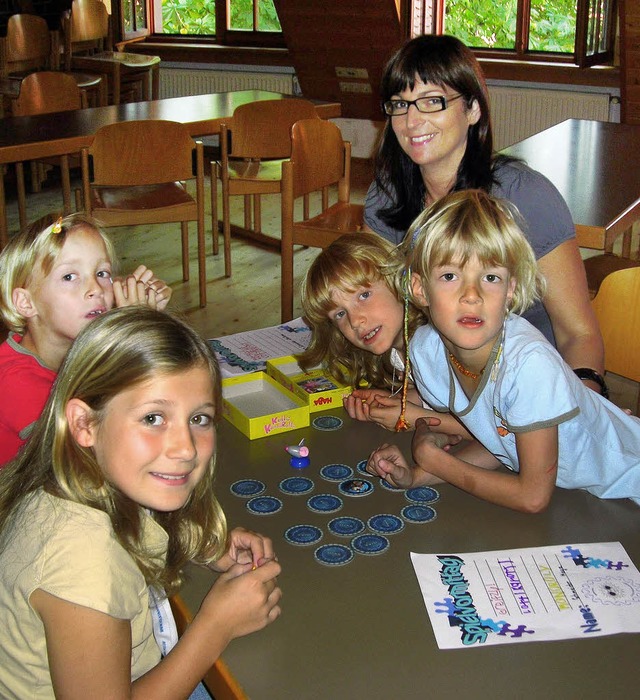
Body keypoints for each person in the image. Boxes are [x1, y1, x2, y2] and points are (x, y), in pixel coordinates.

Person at [0, 306, 282, 698]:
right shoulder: (82, 558)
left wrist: (203, 542)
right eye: (153, 418)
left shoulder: (83, 480)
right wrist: (216, 626)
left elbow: (130, 515)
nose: (185, 448)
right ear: (85, 424)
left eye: (199, 419)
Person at [366, 190, 640, 513]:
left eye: (491, 277)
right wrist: (415, 475)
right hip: (590, 501)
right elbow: (496, 443)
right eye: (450, 276)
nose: (472, 295)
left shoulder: (528, 365)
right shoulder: (426, 353)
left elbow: (533, 497)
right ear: (419, 288)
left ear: (510, 290)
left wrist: (436, 461)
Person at [363, 34, 606, 398]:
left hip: (531, 393)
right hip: (438, 386)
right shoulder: (387, 196)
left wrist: (580, 411)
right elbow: (368, 301)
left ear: (473, 109)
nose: (412, 121)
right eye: (400, 104)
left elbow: (578, 334)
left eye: (432, 101)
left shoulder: (525, 197)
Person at [0, 212, 172, 465]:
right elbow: (92, 454)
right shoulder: (13, 382)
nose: (95, 289)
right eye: (69, 277)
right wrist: (132, 334)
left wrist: (142, 324)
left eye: (102, 273)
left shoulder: (78, 349)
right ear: (26, 303)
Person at [299, 232, 467, 439]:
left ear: (397, 280)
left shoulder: (440, 344)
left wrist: (414, 417)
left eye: (364, 295)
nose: (355, 321)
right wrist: (404, 400)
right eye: (340, 314)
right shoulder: (398, 354)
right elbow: (446, 400)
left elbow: (497, 432)